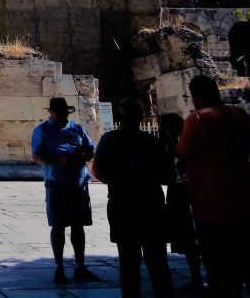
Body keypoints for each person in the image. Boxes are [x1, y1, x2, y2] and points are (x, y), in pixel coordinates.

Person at [177, 75, 250, 297]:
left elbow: (183, 152)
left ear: (196, 96)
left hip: (211, 205)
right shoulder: (238, 115)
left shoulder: (197, 119)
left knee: (220, 269)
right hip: (243, 203)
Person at [92, 98, 174, 298]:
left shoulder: (109, 140)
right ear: (141, 117)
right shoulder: (152, 142)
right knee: (158, 263)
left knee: (128, 263)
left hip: (123, 205)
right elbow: (168, 175)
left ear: (120, 117)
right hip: (152, 205)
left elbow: (99, 172)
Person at [31, 97, 101, 284]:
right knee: (58, 226)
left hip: (79, 183)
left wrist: (86, 154)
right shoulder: (42, 130)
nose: (62, 116)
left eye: (64, 113)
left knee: (79, 226)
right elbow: (36, 155)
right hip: (57, 183)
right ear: (51, 113)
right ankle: (59, 267)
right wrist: (60, 159)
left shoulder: (76, 128)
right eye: (58, 113)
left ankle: (80, 266)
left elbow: (89, 147)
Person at [159, 113, 205, 294]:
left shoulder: (177, 146)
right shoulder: (188, 141)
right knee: (193, 239)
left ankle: (198, 279)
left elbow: (169, 173)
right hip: (191, 193)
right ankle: (200, 279)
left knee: (190, 237)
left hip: (182, 196)